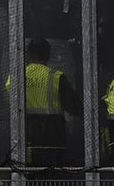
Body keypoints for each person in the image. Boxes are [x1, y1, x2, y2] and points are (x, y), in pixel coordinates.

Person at [11, 37, 82, 166]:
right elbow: (74, 107)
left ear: (28, 54)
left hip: (25, 135)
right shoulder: (56, 77)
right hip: (53, 137)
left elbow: (8, 102)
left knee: (28, 171)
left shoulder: (16, 78)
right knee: (52, 172)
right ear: (47, 55)